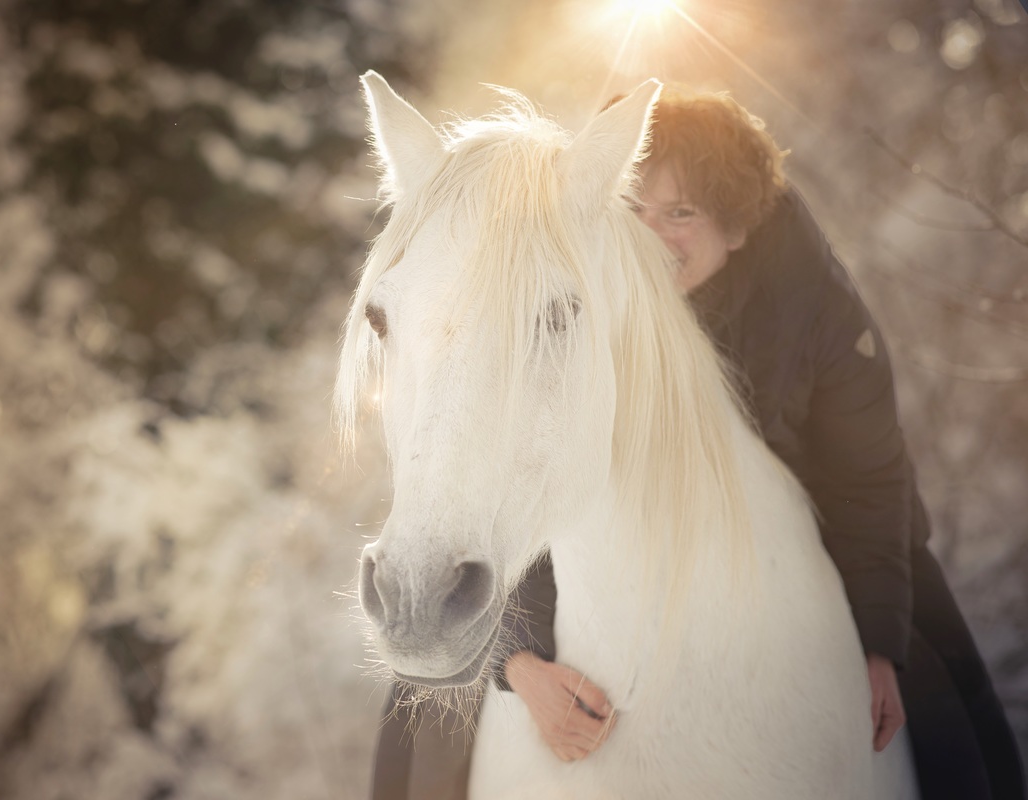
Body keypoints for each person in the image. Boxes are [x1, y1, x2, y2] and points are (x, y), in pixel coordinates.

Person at [370, 87, 1026, 800]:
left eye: (681, 214)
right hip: (567, 559)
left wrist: (878, 643)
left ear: (737, 227)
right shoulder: (575, 300)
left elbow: (868, 483)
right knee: (419, 728)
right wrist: (521, 660)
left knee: (957, 712)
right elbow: (524, 462)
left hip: (843, 534)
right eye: (635, 209)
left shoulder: (815, 311)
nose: (652, 235)